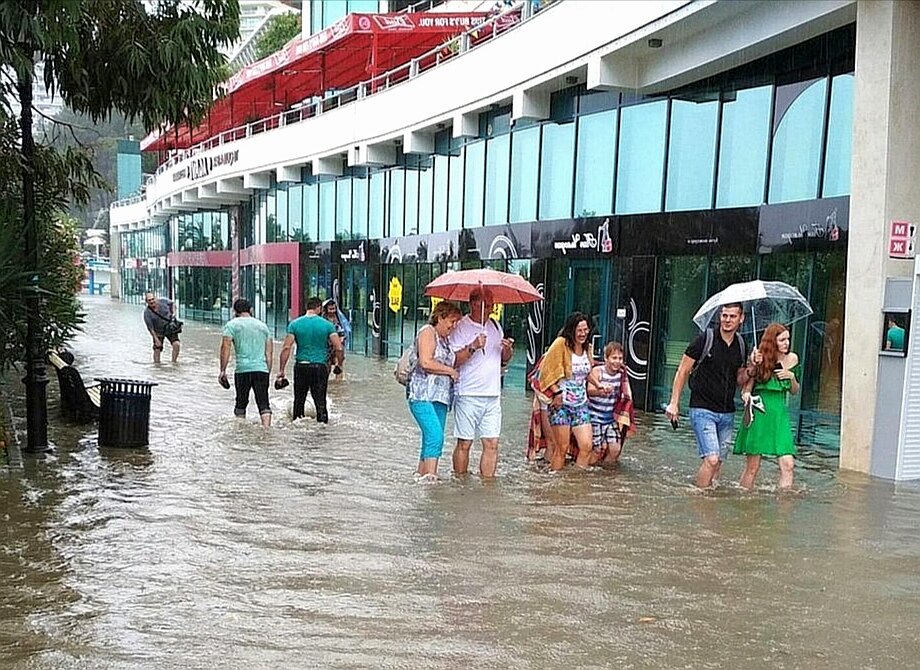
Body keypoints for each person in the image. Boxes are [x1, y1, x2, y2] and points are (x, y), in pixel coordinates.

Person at [665, 303, 755, 488]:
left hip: (727, 412)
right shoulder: (705, 339)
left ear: (741, 318)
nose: (727, 320)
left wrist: (752, 368)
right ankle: (699, 497)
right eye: (724, 316)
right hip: (702, 408)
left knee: (718, 461)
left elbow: (740, 378)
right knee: (712, 459)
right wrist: (674, 403)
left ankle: (709, 495)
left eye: (732, 316)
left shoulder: (741, 345)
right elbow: (683, 370)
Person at [450, 287, 515, 478]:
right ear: (473, 304)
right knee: (465, 443)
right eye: (486, 303)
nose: (490, 308)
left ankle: (487, 486)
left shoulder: (495, 325)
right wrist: (473, 346)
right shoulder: (460, 326)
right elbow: (452, 360)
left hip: (493, 394)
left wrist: (507, 350)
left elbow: (503, 360)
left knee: (492, 443)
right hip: (468, 393)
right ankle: (460, 482)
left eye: (492, 304)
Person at [735, 323, 800, 489]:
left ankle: (783, 509)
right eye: (782, 340)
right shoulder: (759, 357)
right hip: (760, 411)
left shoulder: (792, 359)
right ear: (772, 342)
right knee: (753, 467)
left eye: (788, 339)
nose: (786, 343)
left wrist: (791, 377)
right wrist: (754, 365)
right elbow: (746, 387)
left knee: (788, 464)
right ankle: (743, 499)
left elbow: (794, 391)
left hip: (779, 415)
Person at [407, 301, 462, 479]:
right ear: (440, 317)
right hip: (421, 394)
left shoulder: (445, 340)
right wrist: (450, 371)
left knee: (430, 438)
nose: (454, 326)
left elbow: (454, 360)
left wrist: (474, 347)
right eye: (452, 321)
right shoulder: (427, 332)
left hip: (440, 396)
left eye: (456, 322)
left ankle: (420, 474)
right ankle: (431, 477)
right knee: (435, 436)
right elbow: (425, 362)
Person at [538, 312, 595, 471]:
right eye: (579, 330)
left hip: (581, 404)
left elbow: (587, 372)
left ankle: (575, 483)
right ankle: (555, 483)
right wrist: (556, 392)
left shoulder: (587, 348)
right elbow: (545, 372)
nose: (583, 333)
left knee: (586, 446)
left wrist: (599, 385)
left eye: (586, 330)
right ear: (572, 330)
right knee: (561, 448)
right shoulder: (560, 344)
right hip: (560, 405)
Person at [277, 296, 343, 423]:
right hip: (320, 367)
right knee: (320, 402)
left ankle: (297, 428)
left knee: (299, 400)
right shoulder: (327, 325)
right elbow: (339, 347)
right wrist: (338, 365)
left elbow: (286, 347)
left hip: (301, 365)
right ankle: (322, 432)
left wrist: (281, 370)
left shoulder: (294, 324)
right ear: (318, 308)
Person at [219, 298, 273, 427]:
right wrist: (268, 370)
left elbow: (225, 348)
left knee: (241, 402)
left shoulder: (231, 325)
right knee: (264, 403)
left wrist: (223, 370)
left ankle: (241, 431)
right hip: (261, 369)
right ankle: (267, 430)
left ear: (234, 311)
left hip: (242, 369)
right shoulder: (263, 326)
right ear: (251, 310)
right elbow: (269, 353)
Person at [587, 341, 633, 466]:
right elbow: (589, 391)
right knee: (596, 450)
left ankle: (604, 473)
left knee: (615, 450)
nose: (617, 361)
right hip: (594, 417)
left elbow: (626, 396)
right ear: (606, 358)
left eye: (620, 358)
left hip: (610, 418)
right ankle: (589, 472)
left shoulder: (622, 375)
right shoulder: (597, 371)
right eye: (614, 358)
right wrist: (600, 391)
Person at [143, 291, 180, 364]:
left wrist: (173, 314)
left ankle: (174, 362)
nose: (152, 301)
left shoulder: (163, 301)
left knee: (176, 344)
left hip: (169, 327)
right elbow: (150, 328)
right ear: (147, 302)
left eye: (153, 299)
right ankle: (157, 366)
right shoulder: (147, 313)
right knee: (157, 349)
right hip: (158, 332)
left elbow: (173, 304)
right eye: (149, 300)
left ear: (156, 298)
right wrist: (156, 339)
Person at [322, 298, 350, 378]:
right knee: (327, 368)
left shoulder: (339, 320)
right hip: (326, 347)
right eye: (330, 309)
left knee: (339, 366)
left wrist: (341, 341)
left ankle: (338, 385)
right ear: (326, 309)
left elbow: (344, 331)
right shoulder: (322, 320)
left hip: (338, 346)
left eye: (334, 309)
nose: (332, 311)